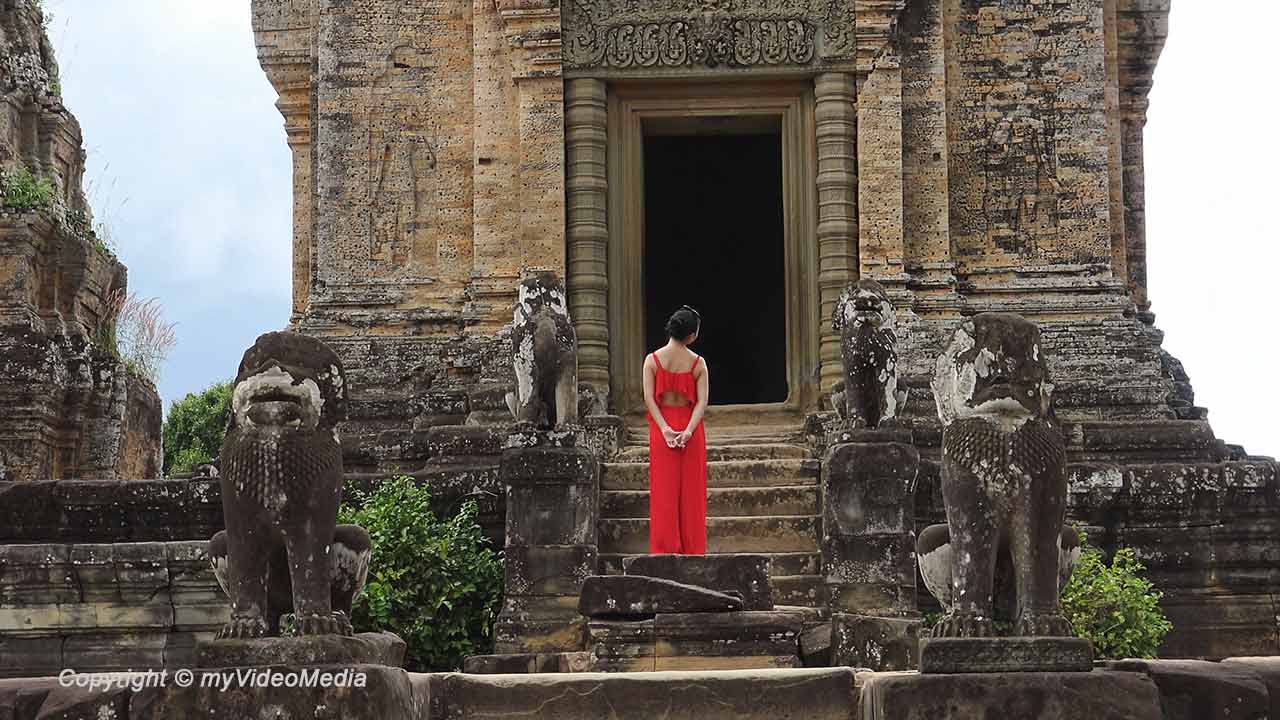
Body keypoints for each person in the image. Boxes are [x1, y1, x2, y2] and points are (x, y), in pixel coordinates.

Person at [643, 305, 710, 555]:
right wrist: (689, 431)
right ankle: (693, 550)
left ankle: (664, 550)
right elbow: (702, 402)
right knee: (691, 492)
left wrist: (665, 429)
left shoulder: (652, 360)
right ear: (692, 335)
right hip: (690, 426)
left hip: (662, 428)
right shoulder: (698, 363)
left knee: (664, 491)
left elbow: (649, 398)